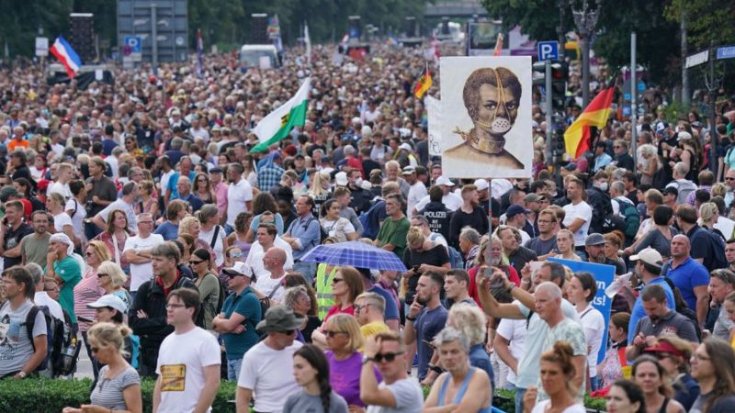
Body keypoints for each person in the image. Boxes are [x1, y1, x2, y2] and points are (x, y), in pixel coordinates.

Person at [129, 242, 197, 377]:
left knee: (174, 395)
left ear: (172, 262)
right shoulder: (146, 288)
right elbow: (134, 325)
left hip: (179, 357)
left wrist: (148, 324)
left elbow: (184, 325)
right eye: (152, 259)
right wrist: (167, 320)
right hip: (149, 360)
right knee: (151, 396)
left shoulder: (187, 288)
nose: (153, 263)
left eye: (158, 259)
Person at [443, 66, 525, 174]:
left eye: (510, 106)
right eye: (491, 106)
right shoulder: (451, 158)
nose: (502, 112)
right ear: (472, 110)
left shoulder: (515, 166)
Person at [153, 288, 221, 413]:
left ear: (191, 310)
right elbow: (161, 380)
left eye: (175, 305)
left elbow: (213, 381)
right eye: (168, 305)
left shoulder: (206, 340)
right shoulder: (166, 342)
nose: (169, 309)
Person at [61, 322, 143, 413]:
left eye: (95, 349)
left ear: (110, 347)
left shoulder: (129, 374)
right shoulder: (104, 371)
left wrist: (105, 411)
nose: (93, 354)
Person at [236, 305, 305, 413]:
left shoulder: (299, 349)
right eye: (289, 332)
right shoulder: (253, 356)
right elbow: (243, 398)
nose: (295, 335)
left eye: (295, 329)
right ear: (272, 332)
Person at [212, 261, 262, 381]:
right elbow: (215, 326)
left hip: (244, 355)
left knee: (243, 395)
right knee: (233, 397)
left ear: (244, 278)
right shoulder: (231, 298)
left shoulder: (249, 298)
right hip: (232, 355)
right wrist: (232, 329)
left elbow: (225, 325)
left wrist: (223, 323)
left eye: (232, 276)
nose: (229, 279)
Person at [423, 327, 492, 412]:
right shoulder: (443, 379)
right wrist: (451, 408)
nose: (449, 357)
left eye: (454, 352)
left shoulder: (479, 377)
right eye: (444, 352)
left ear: (466, 352)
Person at [627, 285, 699, 361]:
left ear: (664, 302)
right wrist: (636, 346)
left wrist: (659, 344)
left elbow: (695, 351)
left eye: (653, 309)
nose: (649, 313)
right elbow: (629, 357)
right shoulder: (642, 322)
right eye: (646, 309)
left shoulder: (682, 322)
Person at [0, 266, 47, 379]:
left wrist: (21, 375)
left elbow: (42, 350)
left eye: (7, 282)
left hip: (16, 378)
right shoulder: (3, 307)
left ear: (21, 286)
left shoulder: (34, 313)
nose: (2, 285)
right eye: (2, 282)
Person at [361, 331, 424, 413]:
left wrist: (368, 357)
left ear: (405, 357)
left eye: (389, 356)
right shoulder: (383, 386)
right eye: (378, 357)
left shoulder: (407, 388)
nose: (383, 361)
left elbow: (368, 396)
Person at [625, 248, 676, 344]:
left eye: (637, 263)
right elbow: (640, 314)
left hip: (646, 354)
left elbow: (664, 327)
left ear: (642, 266)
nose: (635, 266)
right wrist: (627, 293)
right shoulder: (652, 287)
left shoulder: (659, 290)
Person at [405, 271, 448, 381]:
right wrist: (410, 317)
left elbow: (442, 351)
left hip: (434, 379)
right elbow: (408, 340)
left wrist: (430, 377)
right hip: (422, 375)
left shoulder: (443, 316)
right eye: (418, 284)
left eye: (422, 285)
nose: (417, 289)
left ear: (435, 289)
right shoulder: (423, 312)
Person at [566, 272, 605, 390]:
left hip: (585, 376)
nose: (569, 290)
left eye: (574, 287)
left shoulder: (594, 316)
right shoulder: (570, 310)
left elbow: (578, 346)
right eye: (569, 286)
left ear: (587, 292)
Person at [283, 343, 350, 413]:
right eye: (294, 367)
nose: (294, 372)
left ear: (316, 368)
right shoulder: (292, 401)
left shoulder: (337, 404)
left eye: (300, 367)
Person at [523, 342, 586, 413]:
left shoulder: (575, 411)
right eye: (543, 372)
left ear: (567, 375)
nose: (546, 378)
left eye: (553, 373)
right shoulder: (540, 407)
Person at [663, 234, 710, 328]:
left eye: (680, 244)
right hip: (666, 319)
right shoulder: (666, 266)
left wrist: (699, 324)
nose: (676, 246)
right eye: (673, 243)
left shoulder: (697, 269)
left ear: (689, 247)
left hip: (686, 321)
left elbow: (703, 298)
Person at [643, 335, 700, 411]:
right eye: (653, 356)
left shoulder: (691, 389)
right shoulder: (658, 387)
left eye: (660, 357)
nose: (655, 361)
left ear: (678, 361)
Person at [312, 266, 364, 347]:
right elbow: (317, 339)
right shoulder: (334, 309)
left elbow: (343, 344)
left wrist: (316, 334)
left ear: (349, 284)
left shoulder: (356, 311)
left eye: (336, 280)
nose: (332, 283)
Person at [323, 314, 367, 409]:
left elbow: (381, 401)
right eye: (325, 332)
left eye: (332, 334)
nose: (326, 337)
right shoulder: (323, 359)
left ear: (348, 336)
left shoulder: (364, 364)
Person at [123, 213, 165, 300]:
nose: (150, 224)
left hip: (156, 284)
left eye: (151, 221)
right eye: (146, 222)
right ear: (138, 225)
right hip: (136, 286)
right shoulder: (131, 240)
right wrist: (152, 256)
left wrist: (138, 252)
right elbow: (131, 258)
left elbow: (162, 254)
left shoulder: (158, 238)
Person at [690, 337, 735, 413]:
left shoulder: (727, 404)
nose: (692, 361)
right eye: (693, 356)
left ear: (717, 364)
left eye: (700, 357)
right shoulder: (701, 396)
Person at [46, 232, 82, 326]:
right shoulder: (52, 264)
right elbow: (43, 283)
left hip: (69, 313)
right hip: (53, 313)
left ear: (65, 245)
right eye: (50, 244)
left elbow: (51, 282)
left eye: (54, 243)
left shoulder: (71, 263)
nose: (50, 247)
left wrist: (49, 262)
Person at [189, 248, 220, 330]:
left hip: (206, 325)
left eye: (196, 262)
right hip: (195, 324)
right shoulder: (194, 280)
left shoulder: (210, 278)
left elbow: (195, 299)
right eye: (191, 262)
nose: (192, 265)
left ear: (206, 262)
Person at [562, 177, 593, 257]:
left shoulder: (585, 207)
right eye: (568, 188)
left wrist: (563, 229)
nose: (568, 190)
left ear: (579, 190)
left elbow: (572, 228)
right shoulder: (565, 208)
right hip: (564, 247)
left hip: (579, 247)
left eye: (571, 188)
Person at [599, 312, 631, 389]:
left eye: (611, 327)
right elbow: (599, 370)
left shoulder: (630, 352)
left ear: (620, 330)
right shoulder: (613, 348)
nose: (609, 330)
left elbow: (629, 379)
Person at [94, 209, 132, 274]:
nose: (123, 220)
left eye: (124, 218)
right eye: (120, 218)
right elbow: (92, 249)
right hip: (111, 272)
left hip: (132, 271)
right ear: (112, 221)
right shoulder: (103, 237)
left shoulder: (132, 235)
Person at [375, 194, 410, 259]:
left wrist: (374, 255)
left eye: (390, 204)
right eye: (386, 204)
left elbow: (390, 247)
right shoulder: (387, 220)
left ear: (399, 206)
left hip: (392, 259)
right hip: (381, 255)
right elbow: (378, 240)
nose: (386, 207)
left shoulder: (404, 224)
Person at [0, 200, 33, 269]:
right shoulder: (8, 231)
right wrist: (2, 231)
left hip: (18, 272)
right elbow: (0, 251)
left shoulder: (28, 230)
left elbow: (18, 251)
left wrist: (4, 253)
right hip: (6, 271)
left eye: (11, 212)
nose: (7, 215)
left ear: (20, 213)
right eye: (6, 213)